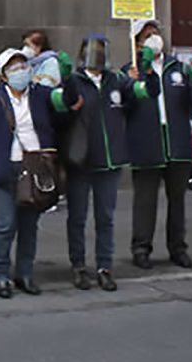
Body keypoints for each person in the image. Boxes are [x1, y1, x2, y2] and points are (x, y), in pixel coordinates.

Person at [0, 48, 79, 298]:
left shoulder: (42, 95)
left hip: (36, 167)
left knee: (30, 225)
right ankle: (0, 275)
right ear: (3, 75)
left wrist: (69, 77)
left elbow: (68, 102)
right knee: (6, 224)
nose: (20, 71)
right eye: (13, 68)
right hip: (6, 169)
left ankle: (25, 273)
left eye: (23, 65)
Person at [60, 34, 159, 291]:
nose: (98, 55)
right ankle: (79, 265)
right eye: (94, 50)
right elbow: (64, 102)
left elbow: (145, 94)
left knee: (106, 218)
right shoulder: (77, 81)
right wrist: (66, 77)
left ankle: (104, 266)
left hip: (109, 160)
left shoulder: (117, 80)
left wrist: (147, 73)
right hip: (81, 160)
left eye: (102, 50)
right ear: (82, 54)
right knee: (78, 218)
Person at [126, 20, 192, 269]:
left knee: (178, 201)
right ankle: (141, 248)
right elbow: (124, 106)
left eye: (156, 33)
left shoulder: (179, 69)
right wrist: (133, 80)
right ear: (138, 43)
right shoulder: (130, 71)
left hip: (177, 144)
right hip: (147, 144)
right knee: (145, 202)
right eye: (147, 35)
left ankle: (178, 248)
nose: (153, 38)